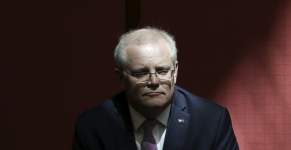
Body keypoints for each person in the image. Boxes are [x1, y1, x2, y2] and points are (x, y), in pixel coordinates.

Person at [72, 27, 239, 150]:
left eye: (162, 70)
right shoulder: (94, 126)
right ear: (121, 77)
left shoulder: (211, 121)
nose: (153, 81)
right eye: (141, 73)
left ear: (175, 72)